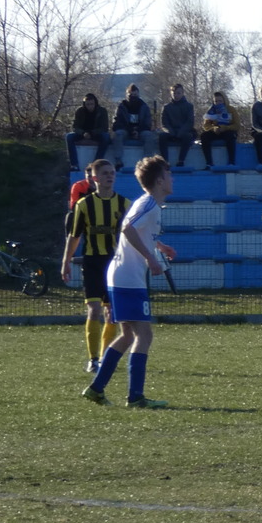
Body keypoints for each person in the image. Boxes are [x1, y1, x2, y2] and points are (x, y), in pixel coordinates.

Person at [81, 156, 176, 409]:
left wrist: (159, 246)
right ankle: (135, 397)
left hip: (121, 274)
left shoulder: (148, 204)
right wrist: (150, 258)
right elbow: (127, 228)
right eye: (168, 175)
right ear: (159, 181)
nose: (172, 179)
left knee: (127, 335)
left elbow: (136, 231)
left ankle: (96, 388)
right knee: (144, 335)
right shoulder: (150, 204)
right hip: (128, 277)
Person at [61, 159, 128, 372]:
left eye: (112, 173)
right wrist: (66, 262)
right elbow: (74, 236)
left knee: (111, 312)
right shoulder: (84, 205)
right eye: (106, 173)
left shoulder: (124, 204)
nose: (110, 176)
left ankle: (105, 357)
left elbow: (135, 233)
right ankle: (93, 359)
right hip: (92, 262)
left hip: (114, 263)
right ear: (95, 178)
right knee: (94, 309)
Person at [110, 84, 157, 169]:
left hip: (140, 131)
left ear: (138, 94)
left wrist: (137, 131)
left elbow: (148, 123)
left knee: (149, 136)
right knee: (118, 134)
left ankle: (148, 162)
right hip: (126, 131)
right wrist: (131, 131)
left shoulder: (144, 107)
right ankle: (118, 161)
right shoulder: (121, 106)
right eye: (131, 95)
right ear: (126, 95)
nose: (133, 97)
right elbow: (117, 123)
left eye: (135, 95)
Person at [66, 93, 111, 170]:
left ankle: (96, 164)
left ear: (95, 103)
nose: (90, 106)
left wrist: (92, 133)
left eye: (92, 104)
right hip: (83, 133)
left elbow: (104, 127)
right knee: (69, 137)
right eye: (88, 104)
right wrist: (83, 133)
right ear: (84, 104)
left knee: (106, 137)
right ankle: (74, 164)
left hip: (96, 133)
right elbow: (75, 127)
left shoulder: (102, 111)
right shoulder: (79, 111)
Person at [159, 83, 196, 167]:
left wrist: (180, 132)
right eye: (174, 93)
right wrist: (170, 131)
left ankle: (181, 161)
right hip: (170, 132)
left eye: (178, 93)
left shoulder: (189, 106)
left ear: (182, 93)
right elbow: (164, 123)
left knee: (188, 137)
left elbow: (190, 122)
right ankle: (165, 162)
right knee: (162, 136)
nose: (176, 95)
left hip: (183, 132)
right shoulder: (166, 107)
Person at [199, 91, 237, 166]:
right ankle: (209, 163)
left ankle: (231, 162)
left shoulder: (231, 109)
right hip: (215, 131)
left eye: (220, 101)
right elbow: (206, 125)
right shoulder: (211, 110)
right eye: (216, 101)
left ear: (224, 100)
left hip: (227, 131)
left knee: (231, 136)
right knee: (204, 136)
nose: (218, 103)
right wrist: (214, 128)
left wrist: (225, 128)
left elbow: (237, 125)